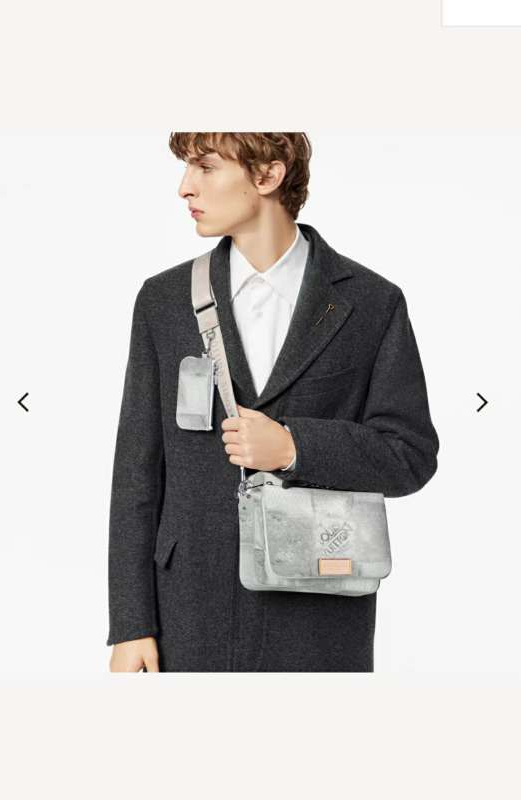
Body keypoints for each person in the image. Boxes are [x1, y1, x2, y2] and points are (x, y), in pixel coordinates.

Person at [107, 132, 439, 672]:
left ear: (267, 175)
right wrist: (130, 623)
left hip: (320, 617)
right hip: (186, 613)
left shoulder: (371, 302)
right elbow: (136, 474)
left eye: (205, 167)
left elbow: (410, 454)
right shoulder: (163, 301)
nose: (185, 187)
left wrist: (293, 446)